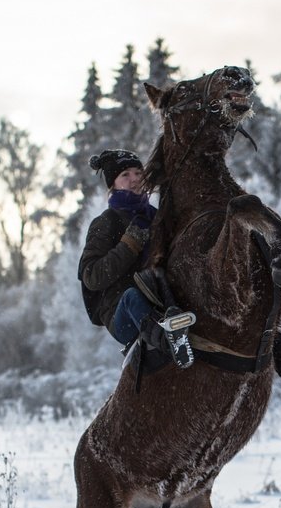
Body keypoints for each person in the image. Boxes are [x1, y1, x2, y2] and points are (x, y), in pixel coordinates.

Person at [78, 148, 196, 368]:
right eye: (125, 175)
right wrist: (129, 244)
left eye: (137, 173)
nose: (134, 180)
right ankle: (171, 341)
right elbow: (91, 276)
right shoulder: (106, 223)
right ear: (113, 184)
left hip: (163, 303)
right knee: (132, 296)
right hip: (123, 315)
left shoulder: (156, 218)